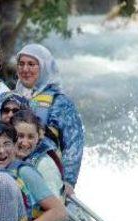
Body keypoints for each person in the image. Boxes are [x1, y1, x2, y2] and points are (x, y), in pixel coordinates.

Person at [14, 43, 85, 196]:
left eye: (31, 64)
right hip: (15, 169)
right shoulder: (12, 98)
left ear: (44, 67)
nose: (25, 69)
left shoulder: (60, 101)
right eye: (21, 64)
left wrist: (68, 181)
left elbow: (74, 143)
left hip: (45, 172)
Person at [12, 109, 68, 221]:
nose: (24, 142)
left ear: (39, 137)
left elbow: (53, 213)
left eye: (31, 137)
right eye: (20, 136)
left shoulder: (43, 166)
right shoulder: (5, 158)